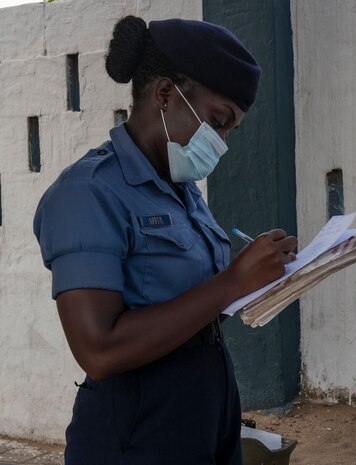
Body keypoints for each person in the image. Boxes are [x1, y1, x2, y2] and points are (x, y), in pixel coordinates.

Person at [32, 15, 297, 465]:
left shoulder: (182, 191)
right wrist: (232, 282)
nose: (223, 142)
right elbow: (98, 350)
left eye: (231, 129)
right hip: (138, 433)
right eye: (218, 122)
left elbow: (191, 310)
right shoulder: (88, 193)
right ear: (165, 94)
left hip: (208, 414)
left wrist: (260, 282)